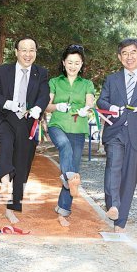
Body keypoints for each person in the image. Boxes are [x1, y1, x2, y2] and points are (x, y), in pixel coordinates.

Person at [97, 38, 137, 233]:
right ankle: (114, 206)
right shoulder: (112, 79)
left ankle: (120, 222)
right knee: (113, 169)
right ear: (119, 57)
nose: (129, 56)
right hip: (116, 130)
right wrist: (111, 108)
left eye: (133, 52)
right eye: (124, 53)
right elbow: (102, 101)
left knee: (129, 177)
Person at [0, 37, 50, 224]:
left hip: (27, 121)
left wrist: (38, 109)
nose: (27, 54)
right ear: (16, 52)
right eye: (23, 50)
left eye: (31, 50)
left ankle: (12, 206)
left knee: (23, 164)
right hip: (6, 117)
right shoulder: (2, 71)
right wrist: (9, 104)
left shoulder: (41, 73)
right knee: (6, 143)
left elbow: (44, 95)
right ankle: (5, 177)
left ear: (35, 53)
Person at [46, 44, 95, 227]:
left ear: (81, 64)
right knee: (64, 146)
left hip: (78, 127)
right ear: (63, 63)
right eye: (70, 62)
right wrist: (57, 106)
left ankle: (63, 211)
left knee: (73, 171)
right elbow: (47, 105)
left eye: (77, 62)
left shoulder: (87, 83)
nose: (73, 66)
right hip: (58, 124)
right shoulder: (55, 82)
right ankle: (68, 179)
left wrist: (86, 109)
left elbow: (90, 102)